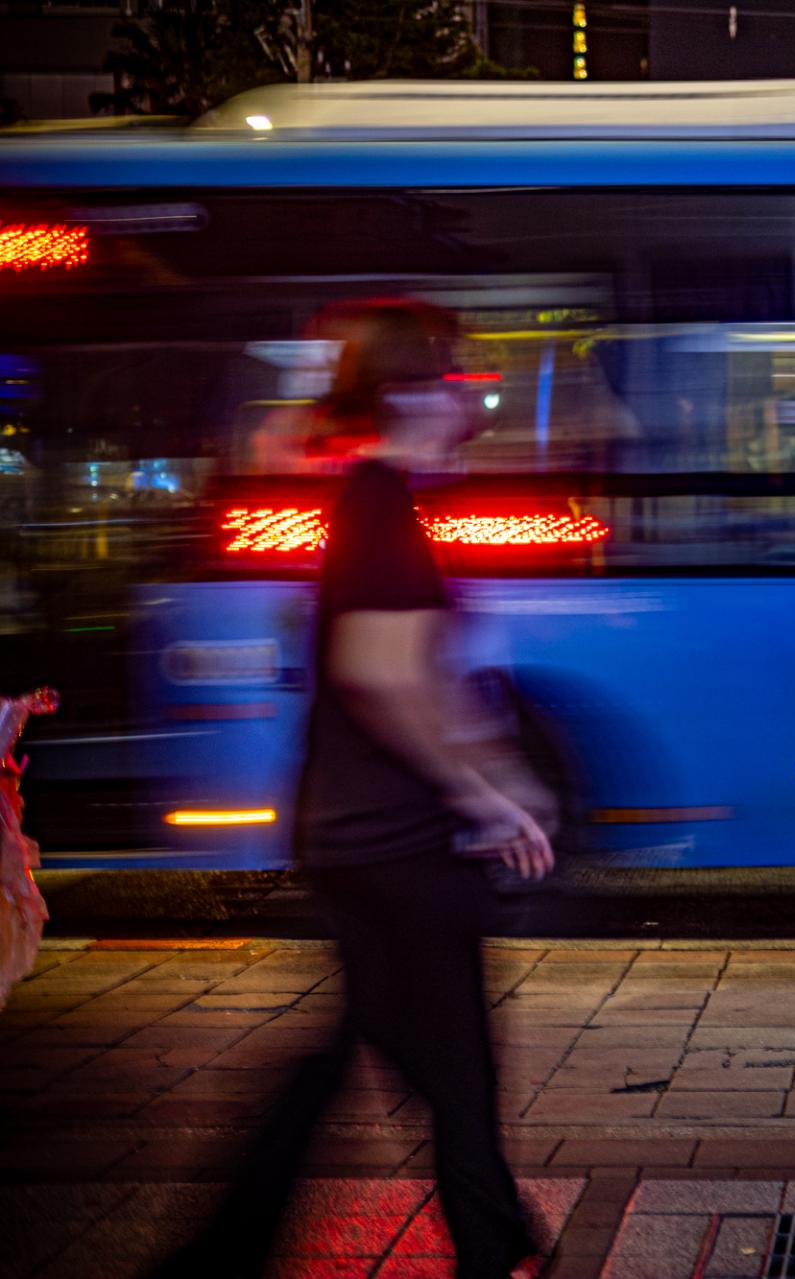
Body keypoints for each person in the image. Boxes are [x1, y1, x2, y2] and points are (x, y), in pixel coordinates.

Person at [155, 300, 554, 1279]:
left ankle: (225, 1251)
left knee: (360, 1050)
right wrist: (482, 795)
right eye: (458, 380)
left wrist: (498, 773)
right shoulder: (380, 505)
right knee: (454, 1061)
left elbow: (418, 672)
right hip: (398, 842)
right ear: (413, 391)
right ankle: (489, 1239)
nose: (473, 400)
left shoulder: (379, 500)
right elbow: (382, 672)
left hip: (356, 836)